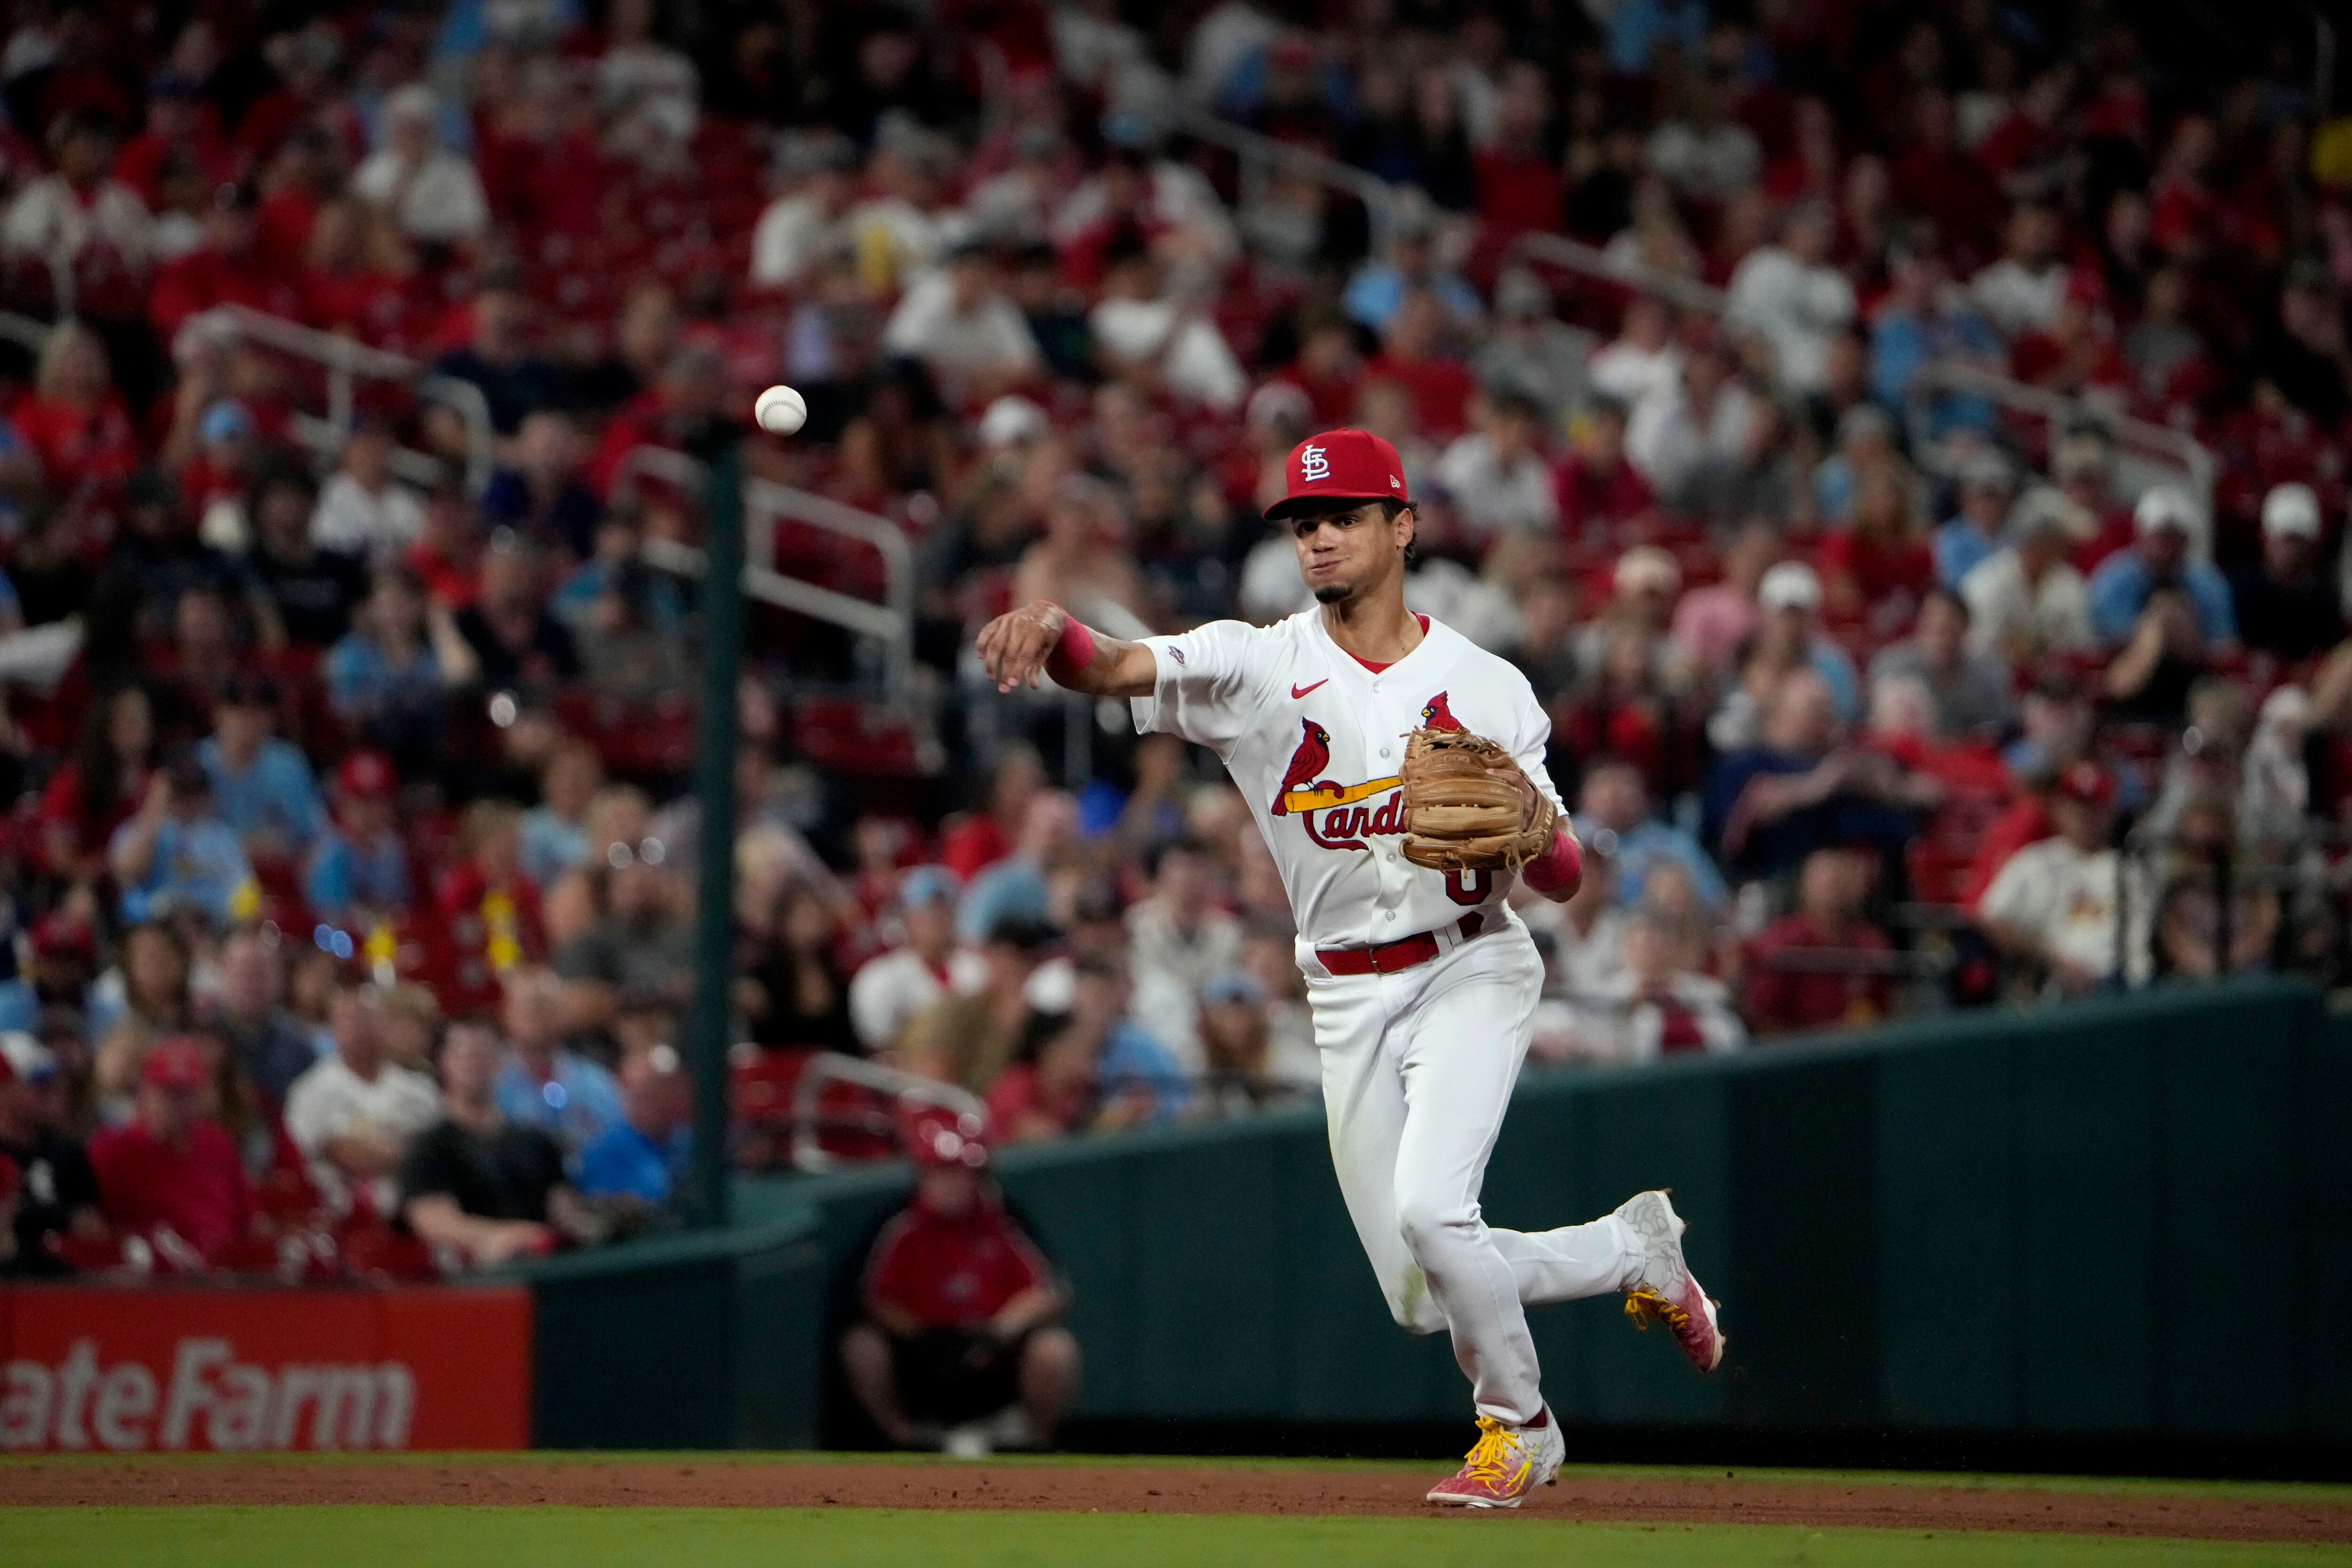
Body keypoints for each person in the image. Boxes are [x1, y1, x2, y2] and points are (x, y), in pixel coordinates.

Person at [975, 426, 1723, 1507]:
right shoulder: (1258, 663)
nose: (1319, 537)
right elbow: (1120, 665)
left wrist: (1528, 831)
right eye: (1303, 522)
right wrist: (1054, 631)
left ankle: (1520, 1428)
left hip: (1473, 966)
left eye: (1345, 516)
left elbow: (1560, 879)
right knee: (1423, 1294)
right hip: (1340, 985)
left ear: (1403, 524)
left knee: (1431, 1209)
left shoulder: (1488, 684)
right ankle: (1629, 1250)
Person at [839, 1107, 1081, 1455]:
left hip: (993, 1358)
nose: (954, 1183)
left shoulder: (1004, 1216)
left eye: (964, 1173)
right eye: (943, 1172)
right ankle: (904, 1437)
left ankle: (1028, 1446)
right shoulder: (898, 1222)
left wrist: (996, 1333)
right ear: (923, 1175)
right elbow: (871, 1297)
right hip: (922, 1360)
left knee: (1056, 1350)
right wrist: (926, 1339)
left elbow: (1049, 1292)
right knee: (862, 1346)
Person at [398, 1016, 573, 1268]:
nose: (475, 1064)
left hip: (547, 1268)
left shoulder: (535, 1141)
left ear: (500, 1062)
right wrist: (511, 1236)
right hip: (478, 1283)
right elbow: (434, 1221)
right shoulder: (429, 1148)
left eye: (484, 1054)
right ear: (444, 1062)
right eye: (465, 1055)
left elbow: (562, 1208)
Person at [1978, 761, 2151, 992]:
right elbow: (1992, 919)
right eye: (2077, 805)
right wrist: (2051, 958)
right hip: (2070, 985)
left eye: (2095, 805)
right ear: (2058, 808)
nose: (2085, 815)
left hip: (2140, 982)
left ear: (2111, 810)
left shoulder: (2131, 863)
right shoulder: (2037, 861)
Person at [282, 980, 442, 1218]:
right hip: (339, 1216)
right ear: (332, 1027)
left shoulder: (419, 1089)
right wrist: (413, 1153)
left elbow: (440, 1151)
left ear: (382, 1023)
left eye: (366, 1017)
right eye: (347, 1019)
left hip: (414, 1215)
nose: (357, 1027)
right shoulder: (311, 1091)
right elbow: (346, 1155)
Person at [87, 1036, 257, 1259]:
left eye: (188, 1093)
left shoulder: (217, 1143)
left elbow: (248, 1219)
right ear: (146, 1091)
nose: (180, 1104)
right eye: (170, 1093)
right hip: (153, 1283)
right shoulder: (113, 1150)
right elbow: (94, 1228)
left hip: (224, 1276)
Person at [1741, 847, 1897, 1035]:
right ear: (1805, 886)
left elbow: (1886, 1011)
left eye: (1841, 879)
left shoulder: (1872, 943)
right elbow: (1762, 1016)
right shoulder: (1782, 944)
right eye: (1826, 880)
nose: (1835, 886)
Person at [494, 966, 624, 1154]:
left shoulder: (597, 1083)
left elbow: (616, 1143)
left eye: (547, 1008)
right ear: (508, 1015)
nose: (539, 1018)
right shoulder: (493, 1083)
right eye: (531, 1008)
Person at [2086, 486, 2236, 649]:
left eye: (2176, 538)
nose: (2168, 548)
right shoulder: (2113, 582)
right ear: (2141, 534)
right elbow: (2112, 644)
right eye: (2162, 537)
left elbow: (2223, 647)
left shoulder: (2208, 584)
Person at [0, 1035, 102, 1273]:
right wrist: (63, 1218)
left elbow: (90, 1223)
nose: (53, 1095)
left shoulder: (66, 1151)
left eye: (54, 1086)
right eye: (39, 1086)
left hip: (62, 1281)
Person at [848, 867, 974, 1055]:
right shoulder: (881, 977)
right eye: (927, 912)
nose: (936, 919)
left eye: (943, 910)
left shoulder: (975, 967)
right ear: (907, 918)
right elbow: (878, 1046)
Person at [2229, 483, 2342, 662]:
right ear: (2264, 539)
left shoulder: (2323, 599)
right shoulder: (2240, 590)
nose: (2293, 552)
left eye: (2300, 542)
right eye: (2286, 541)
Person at [575, 1043, 690, 1204]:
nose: (646, 1107)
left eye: (653, 1095)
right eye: (638, 1098)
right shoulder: (605, 1151)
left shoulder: (688, 1142)